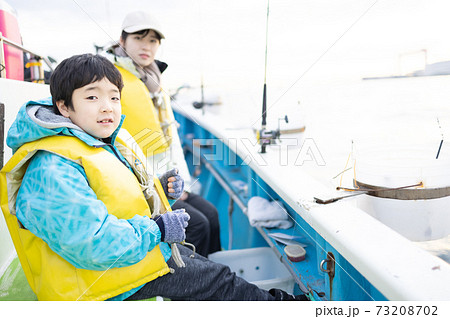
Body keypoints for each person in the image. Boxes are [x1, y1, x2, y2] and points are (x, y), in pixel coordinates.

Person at [0, 53, 307, 301]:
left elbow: (110, 199)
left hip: (119, 260)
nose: (107, 107)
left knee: (203, 264)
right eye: (92, 98)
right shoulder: (51, 168)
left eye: (114, 97)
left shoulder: (93, 140)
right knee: (217, 280)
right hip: (95, 284)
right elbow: (92, 245)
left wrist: (160, 191)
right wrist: (157, 229)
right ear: (64, 106)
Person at [104, 11, 221, 257]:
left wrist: (181, 185)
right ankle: (188, 280)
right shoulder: (110, 78)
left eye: (153, 41)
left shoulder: (153, 81)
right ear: (122, 41)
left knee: (211, 213)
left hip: (164, 179)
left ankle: (212, 276)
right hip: (139, 183)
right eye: (139, 38)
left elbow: (170, 141)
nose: (147, 46)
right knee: (197, 223)